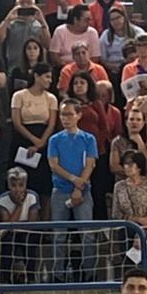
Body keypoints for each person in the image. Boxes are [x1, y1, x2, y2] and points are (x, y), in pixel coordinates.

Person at [48, 97, 97, 280]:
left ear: (78, 115)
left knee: (87, 235)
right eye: (63, 114)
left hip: (83, 190)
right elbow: (54, 164)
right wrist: (73, 179)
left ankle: (88, 273)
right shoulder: (55, 139)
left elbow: (90, 164)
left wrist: (79, 185)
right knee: (59, 235)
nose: (65, 118)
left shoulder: (88, 139)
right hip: (60, 189)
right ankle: (58, 274)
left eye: (69, 114)